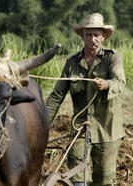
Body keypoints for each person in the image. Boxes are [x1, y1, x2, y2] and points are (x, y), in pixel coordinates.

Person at [46, 13, 126, 186]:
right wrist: (43, 124)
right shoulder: (72, 62)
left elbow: (120, 82)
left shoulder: (112, 58)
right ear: (82, 36)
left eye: (96, 34)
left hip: (108, 128)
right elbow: (57, 95)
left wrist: (106, 84)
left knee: (103, 179)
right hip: (81, 127)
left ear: (103, 36)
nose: (92, 39)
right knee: (77, 177)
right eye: (88, 34)